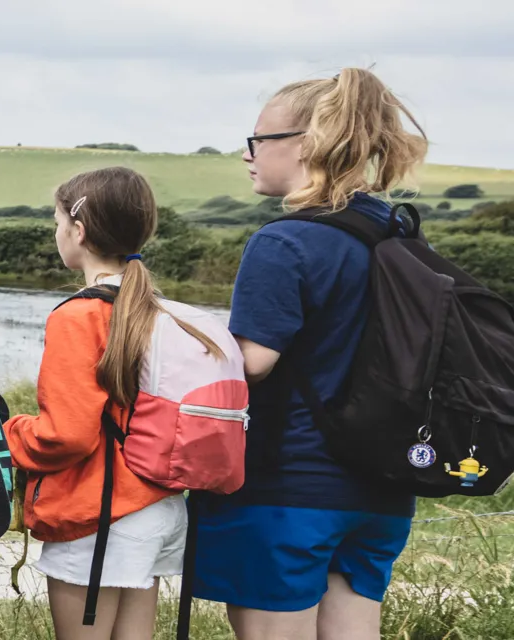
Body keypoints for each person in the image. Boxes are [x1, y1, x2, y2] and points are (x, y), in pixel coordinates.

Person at [188, 68, 427, 640]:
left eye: (258, 140)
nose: (248, 155)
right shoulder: (399, 236)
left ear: (305, 144)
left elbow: (253, 362)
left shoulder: (284, 241)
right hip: (382, 486)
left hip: (290, 485)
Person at [2, 167, 193, 640]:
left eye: (57, 221)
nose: (56, 231)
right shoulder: (157, 310)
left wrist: (9, 432)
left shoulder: (79, 316)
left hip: (99, 513)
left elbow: (65, 434)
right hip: (157, 507)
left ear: (79, 231)